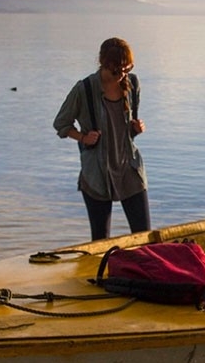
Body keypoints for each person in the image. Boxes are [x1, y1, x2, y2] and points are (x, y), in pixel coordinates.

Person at [53, 37, 150, 240]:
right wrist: (83, 137)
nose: (122, 74)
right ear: (104, 64)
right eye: (117, 70)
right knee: (100, 240)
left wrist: (136, 128)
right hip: (96, 174)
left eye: (127, 68)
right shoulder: (84, 89)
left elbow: (126, 131)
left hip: (129, 168)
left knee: (143, 236)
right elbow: (61, 124)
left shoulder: (132, 83)